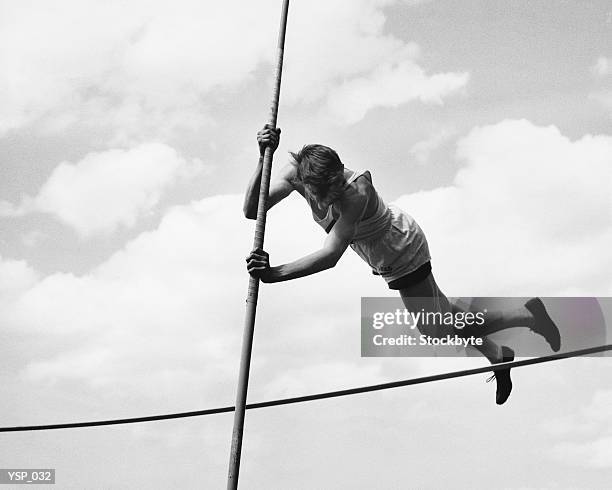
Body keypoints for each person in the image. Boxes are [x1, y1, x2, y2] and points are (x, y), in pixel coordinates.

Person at [244, 125, 561, 405]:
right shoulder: (293, 173)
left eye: (339, 185)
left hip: (400, 250)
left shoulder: (356, 192)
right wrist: (262, 158)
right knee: (446, 317)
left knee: (435, 330)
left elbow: (331, 256)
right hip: (385, 254)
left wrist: (274, 274)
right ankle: (499, 355)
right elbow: (250, 208)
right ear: (309, 184)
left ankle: (527, 316)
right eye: (329, 194)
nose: (335, 196)